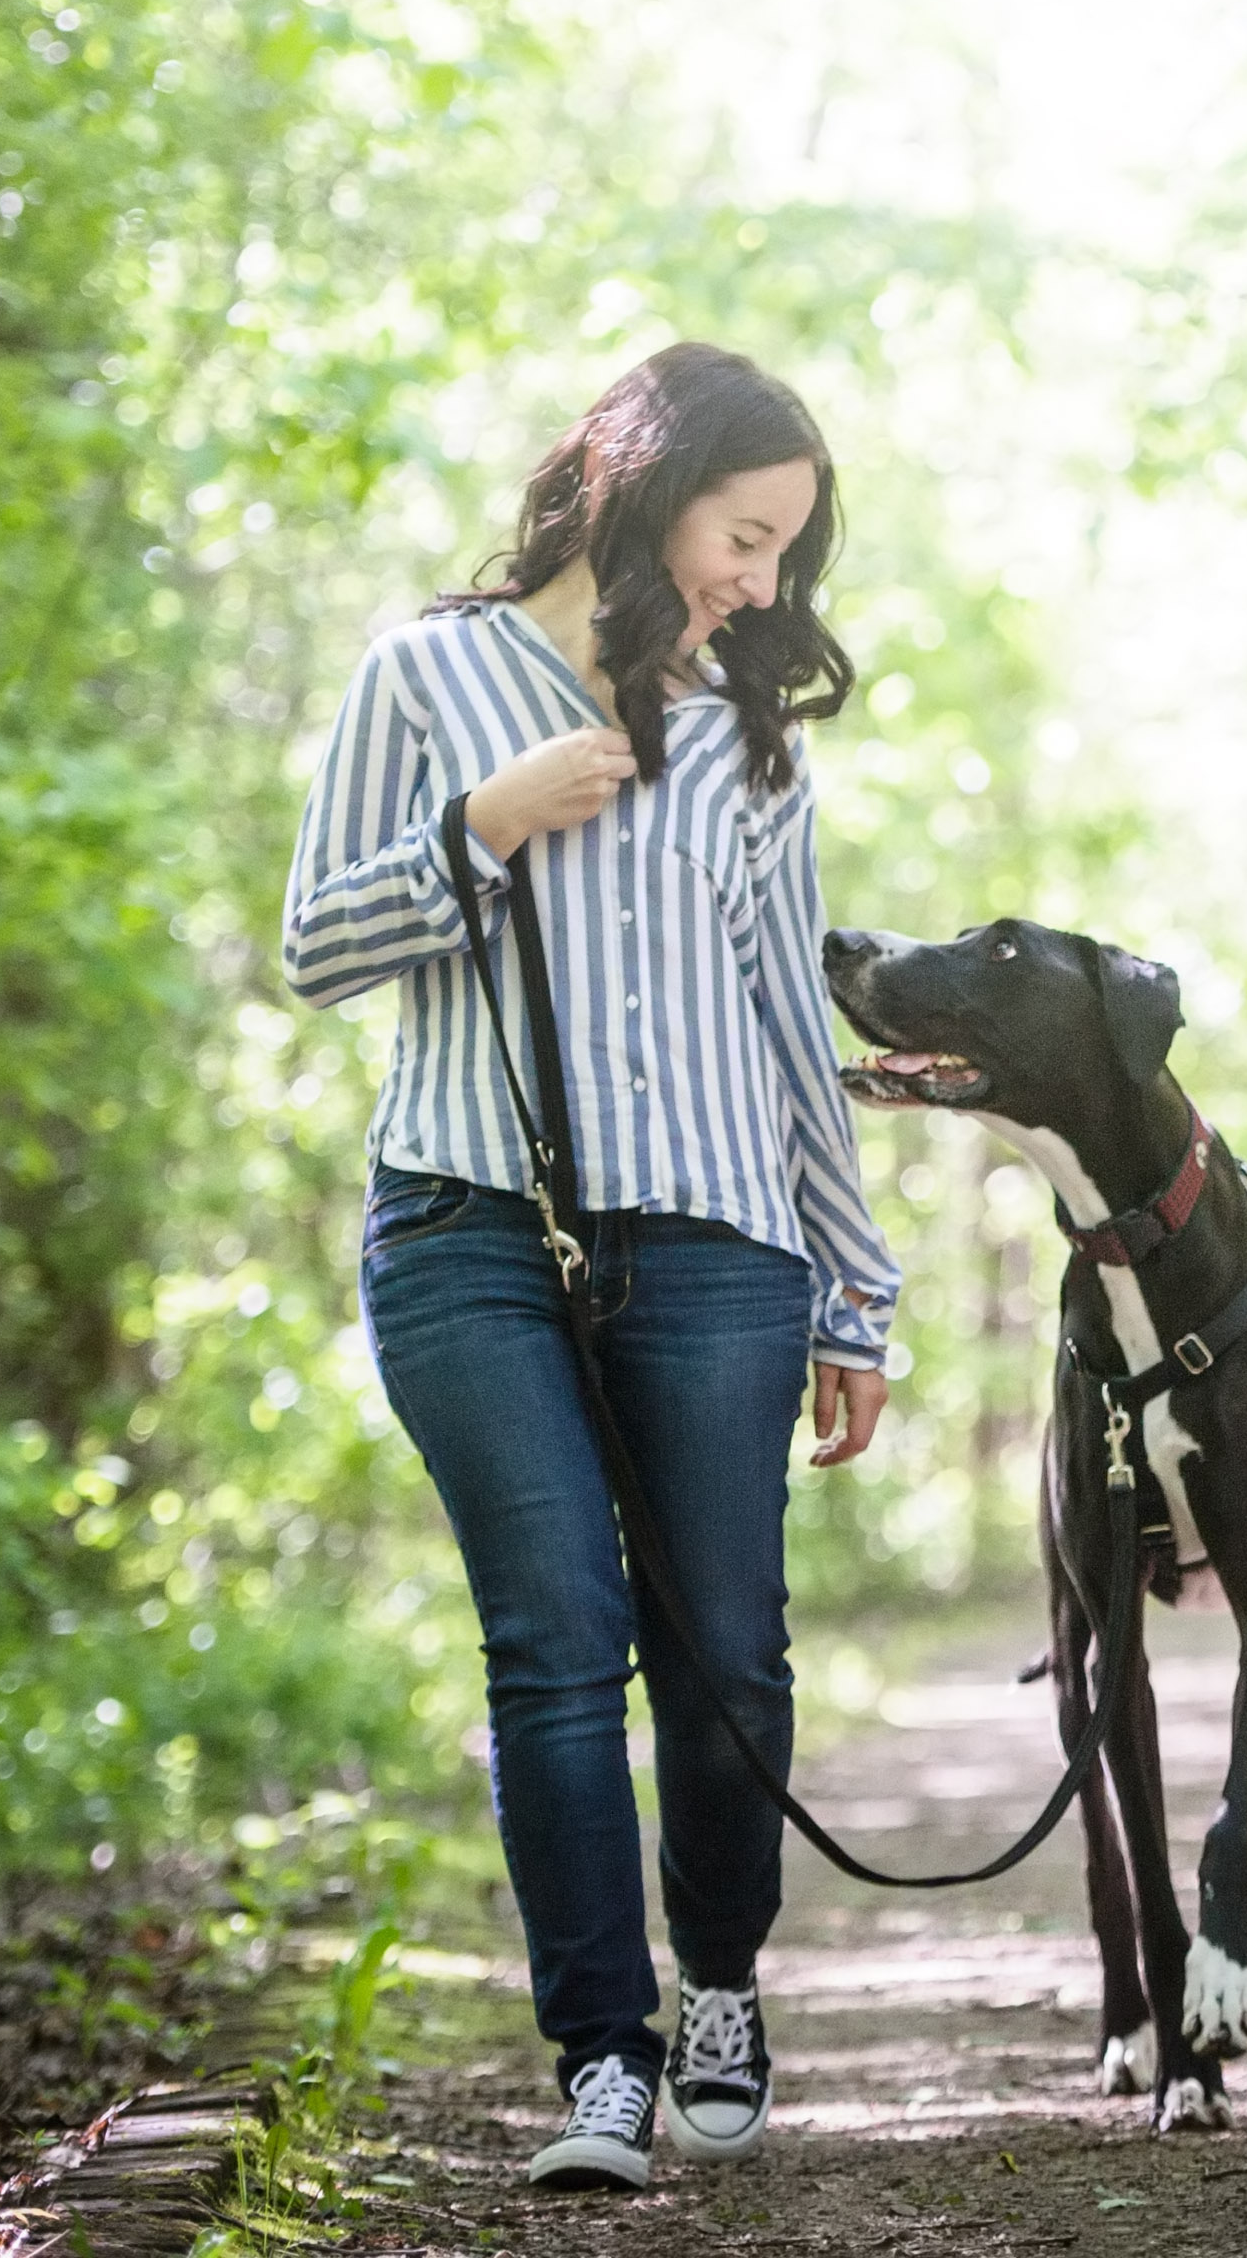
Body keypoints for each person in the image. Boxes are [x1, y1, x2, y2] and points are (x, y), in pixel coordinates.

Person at [280, 342, 902, 2192]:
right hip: (466, 1229)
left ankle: (719, 1985)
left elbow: (791, 1020)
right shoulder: (424, 671)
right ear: (647, 491)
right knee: (555, 1649)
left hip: (721, 1241)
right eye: (748, 534)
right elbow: (316, 944)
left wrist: (853, 1286)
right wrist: (483, 826)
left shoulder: (746, 731)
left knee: (727, 1652)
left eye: (791, 554)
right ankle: (602, 2062)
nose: (766, 585)